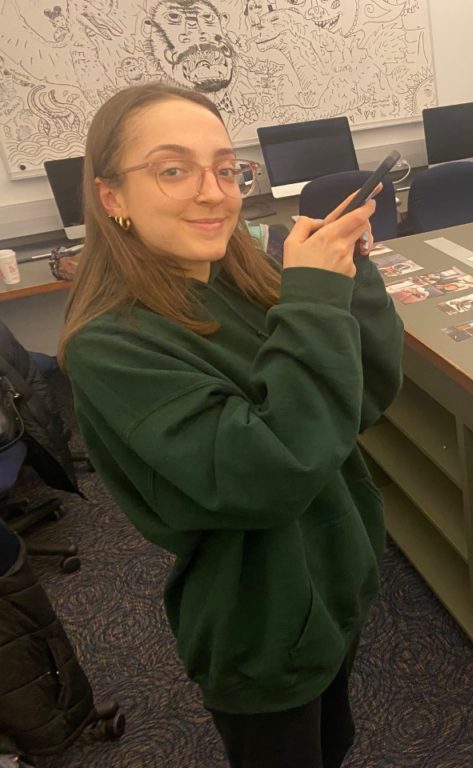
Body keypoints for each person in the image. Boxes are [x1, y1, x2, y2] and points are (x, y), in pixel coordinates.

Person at [59, 82, 404, 768]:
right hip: (261, 624)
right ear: (112, 198)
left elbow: (359, 397)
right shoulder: (111, 345)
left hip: (330, 583)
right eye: (173, 169)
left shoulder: (238, 279)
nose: (214, 192)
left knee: (333, 743)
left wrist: (347, 276)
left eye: (226, 168)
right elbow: (274, 471)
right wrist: (313, 299)